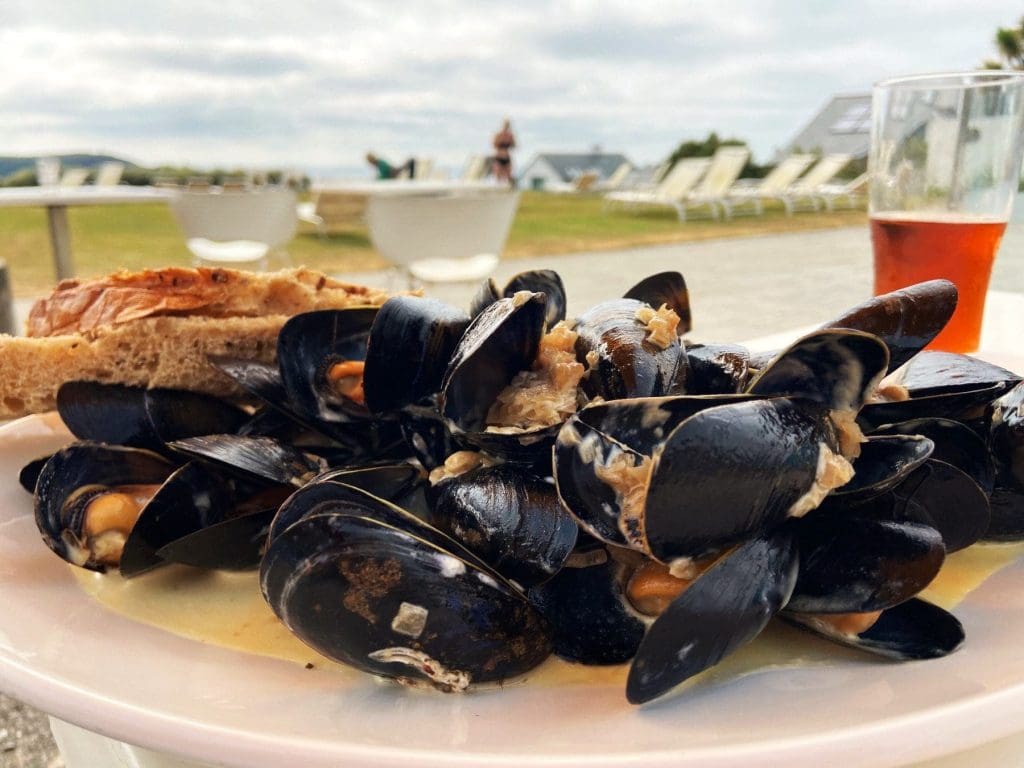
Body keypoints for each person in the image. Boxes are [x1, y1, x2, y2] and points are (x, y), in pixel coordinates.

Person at [491, 118, 516, 185]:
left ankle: (509, 187)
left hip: (506, 157)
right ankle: (498, 187)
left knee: (508, 174)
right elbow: (494, 144)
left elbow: (514, 145)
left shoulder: (510, 135)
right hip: (499, 156)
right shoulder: (498, 135)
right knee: (498, 175)